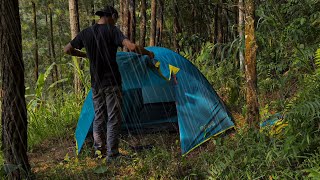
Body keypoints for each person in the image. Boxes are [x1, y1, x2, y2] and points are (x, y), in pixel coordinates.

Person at [64, 5, 154, 161]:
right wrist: (148, 52)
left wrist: (85, 55)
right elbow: (132, 47)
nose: (115, 22)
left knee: (99, 117)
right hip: (112, 83)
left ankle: (100, 152)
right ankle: (112, 155)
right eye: (115, 19)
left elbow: (67, 49)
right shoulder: (112, 31)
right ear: (111, 15)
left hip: (96, 84)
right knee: (113, 118)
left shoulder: (86, 32)